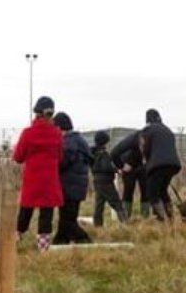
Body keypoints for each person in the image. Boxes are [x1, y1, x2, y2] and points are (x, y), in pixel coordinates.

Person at [13, 97, 64, 252]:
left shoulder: (28, 133)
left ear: (36, 112)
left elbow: (18, 157)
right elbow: (60, 157)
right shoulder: (57, 134)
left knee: (25, 210)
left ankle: (15, 239)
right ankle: (43, 248)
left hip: (32, 179)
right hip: (50, 180)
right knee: (46, 213)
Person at [52, 112, 92, 244]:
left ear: (59, 128)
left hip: (69, 186)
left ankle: (84, 240)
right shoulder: (79, 140)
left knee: (68, 220)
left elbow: (62, 163)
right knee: (67, 217)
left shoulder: (68, 143)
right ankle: (60, 241)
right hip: (78, 186)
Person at [139, 109, 181, 222]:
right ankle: (171, 218)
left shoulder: (147, 130)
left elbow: (144, 149)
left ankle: (162, 220)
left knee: (152, 193)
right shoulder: (167, 130)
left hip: (157, 165)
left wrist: (147, 162)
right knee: (162, 190)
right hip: (173, 165)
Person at [90, 131, 127, 226]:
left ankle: (97, 226)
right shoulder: (104, 153)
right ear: (105, 142)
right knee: (117, 203)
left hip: (97, 180)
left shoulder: (93, 152)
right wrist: (116, 170)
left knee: (99, 204)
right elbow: (106, 167)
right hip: (106, 182)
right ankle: (125, 223)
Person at [110, 130, 149, 219]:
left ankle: (145, 218)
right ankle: (125, 218)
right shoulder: (130, 141)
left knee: (146, 190)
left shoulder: (151, 141)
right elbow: (114, 153)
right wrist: (122, 166)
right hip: (129, 165)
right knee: (128, 190)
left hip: (142, 166)